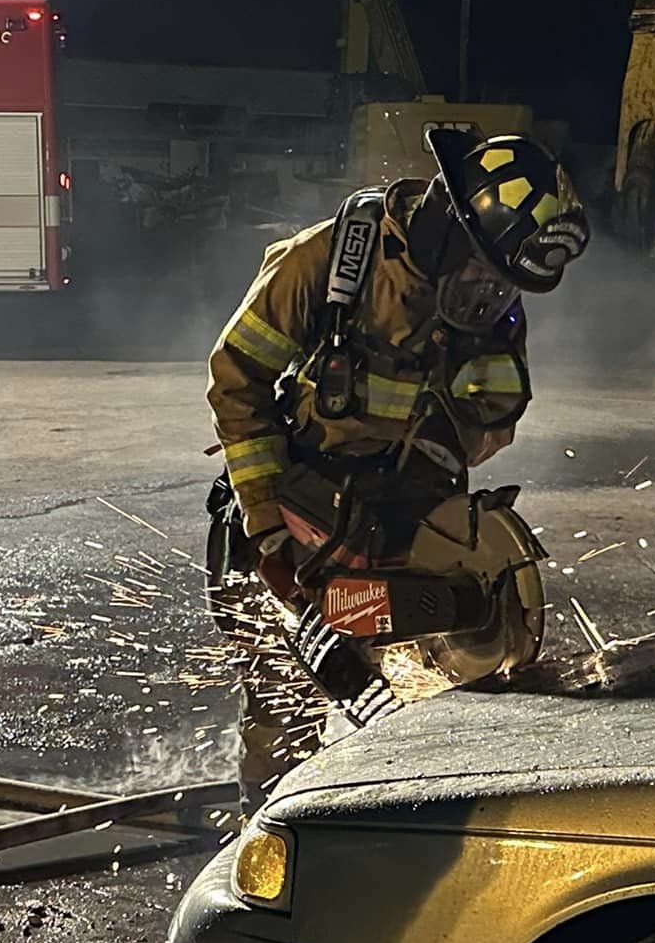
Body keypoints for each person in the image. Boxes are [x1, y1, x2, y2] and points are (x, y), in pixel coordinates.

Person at [205, 129, 590, 812]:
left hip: (408, 512)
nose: (492, 293)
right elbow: (235, 383)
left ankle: (409, 814)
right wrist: (269, 527)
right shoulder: (325, 264)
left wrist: (425, 488)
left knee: (446, 675)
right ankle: (266, 833)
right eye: (483, 272)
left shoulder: (491, 305)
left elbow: (497, 413)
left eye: (504, 283)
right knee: (284, 699)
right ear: (449, 226)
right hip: (295, 517)